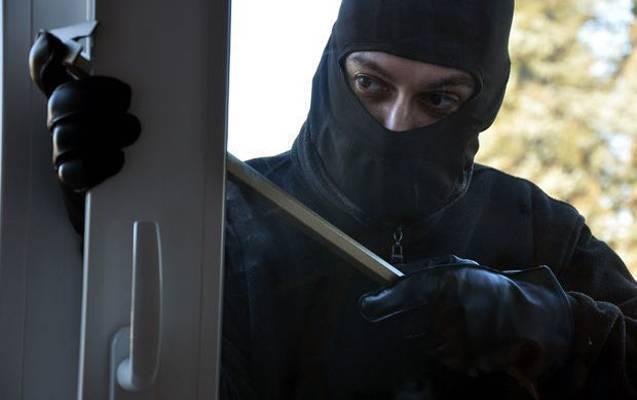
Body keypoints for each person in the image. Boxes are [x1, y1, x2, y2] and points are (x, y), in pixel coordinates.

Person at [29, 0, 637, 398]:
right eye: (371, 84)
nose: (396, 123)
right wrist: (102, 214)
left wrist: (552, 327)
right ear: (332, 71)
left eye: (439, 100)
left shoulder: (540, 230)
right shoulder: (224, 214)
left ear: (483, 103)